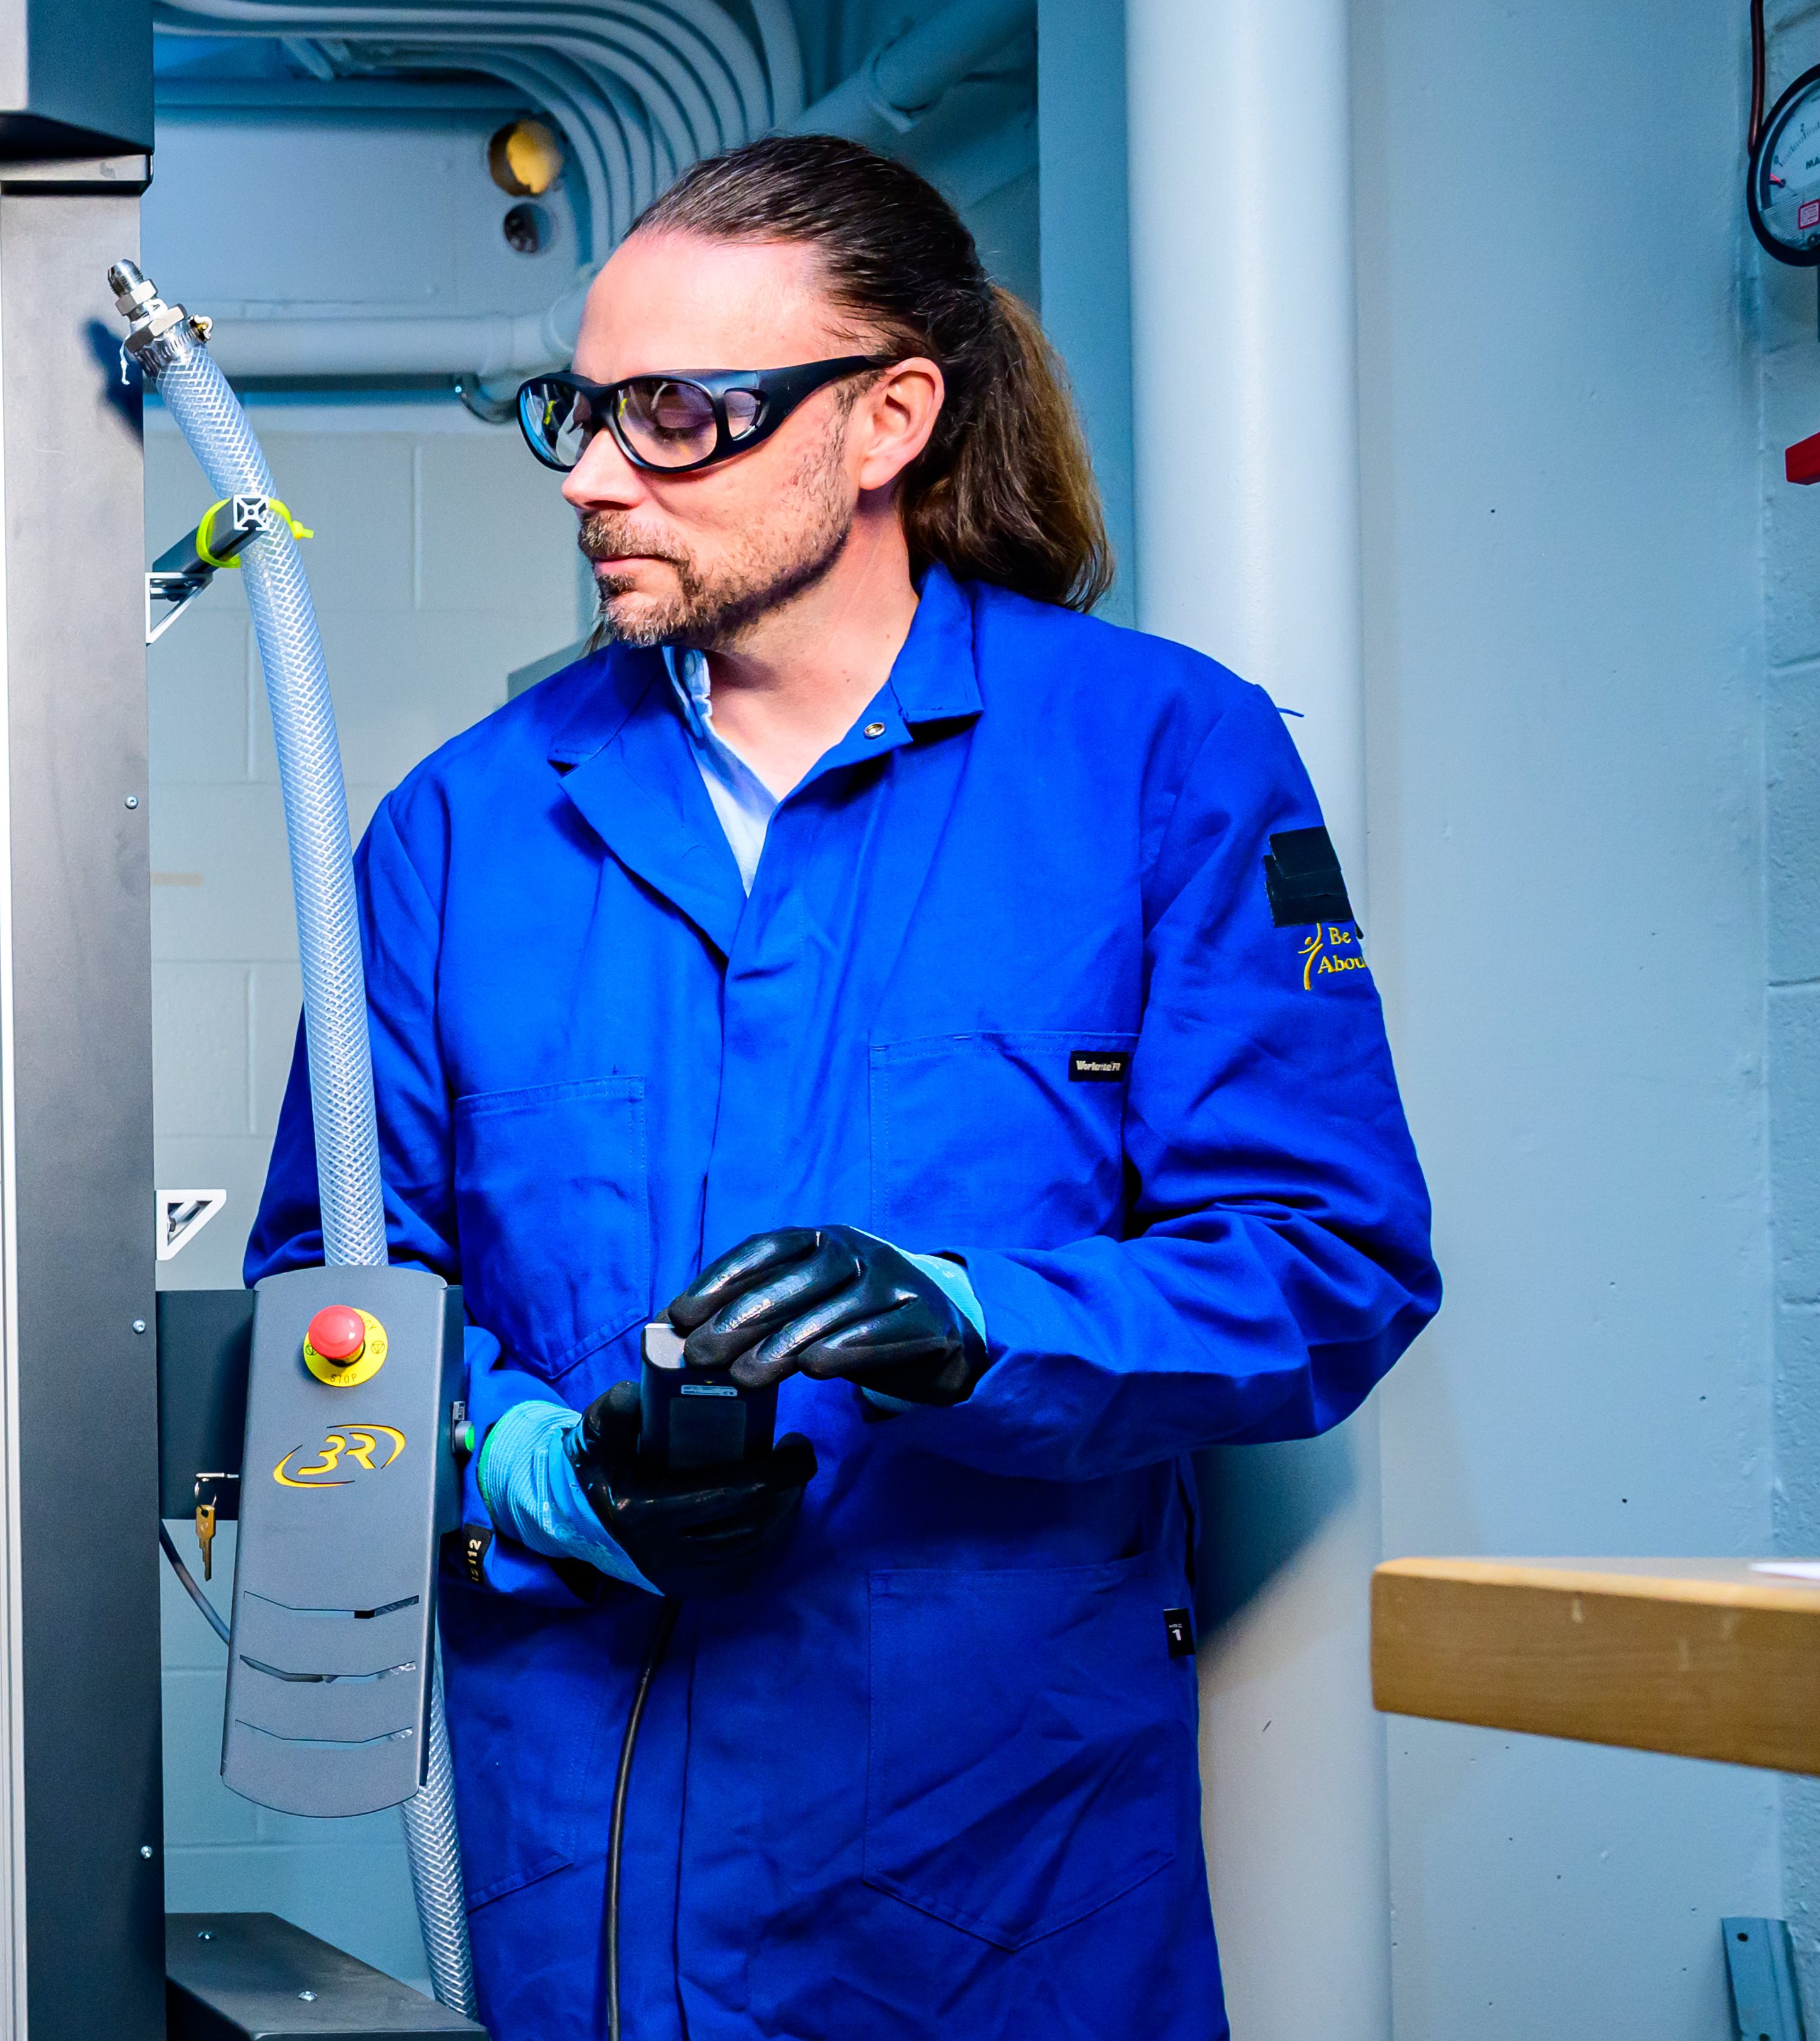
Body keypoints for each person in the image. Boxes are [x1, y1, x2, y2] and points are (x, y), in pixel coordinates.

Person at [242, 135, 1437, 2038]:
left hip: (1007, 1874)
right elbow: (327, 1294)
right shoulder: (458, 830)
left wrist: (976, 1319)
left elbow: (1326, 1260)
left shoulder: (1152, 759)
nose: (589, 472)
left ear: (885, 420)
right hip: (592, 1862)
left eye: (675, 415)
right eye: (578, 408)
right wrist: (531, 1467)